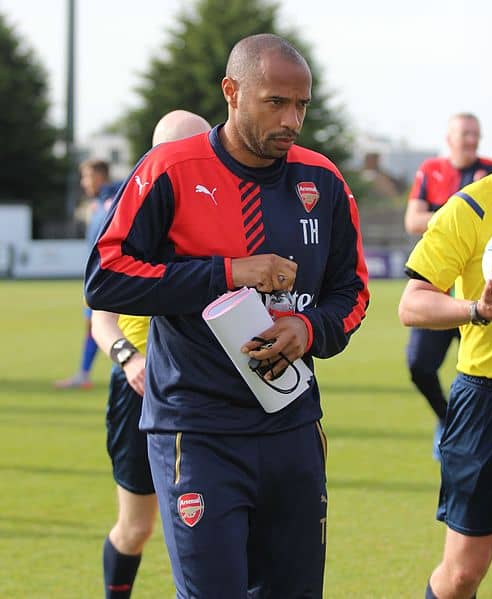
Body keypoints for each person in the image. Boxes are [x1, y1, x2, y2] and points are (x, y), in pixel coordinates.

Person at [85, 33, 369, 598]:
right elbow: (106, 275)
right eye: (275, 102)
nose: (292, 119)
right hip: (199, 430)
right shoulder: (169, 169)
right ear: (232, 92)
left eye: (301, 105)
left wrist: (309, 328)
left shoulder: (324, 180)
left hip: (292, 428)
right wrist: (227, 272)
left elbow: (353, 294)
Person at [92, 110, 212, 599]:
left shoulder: (219, 208)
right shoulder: (129, 216)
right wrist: (129, 358)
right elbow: (101, 319)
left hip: (209, 386)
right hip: (142, 389)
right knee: (136, 528)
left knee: (214, 524)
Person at [399, 172, 492, 599]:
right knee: (462, 573)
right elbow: (413, 303)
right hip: (486, 400)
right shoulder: (472, 207)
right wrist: (477, 308)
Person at [403, 113, 492, 459]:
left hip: (477, 291)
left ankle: (460, 428)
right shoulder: (431, 171)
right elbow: (413, 220)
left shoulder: (491, 171)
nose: (471, 140)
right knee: (418, 365)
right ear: (450, 137)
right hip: (441, 291)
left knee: (475, 368)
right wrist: (458, 212)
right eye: (465, 134)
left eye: (476, 133)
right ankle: (446, 418)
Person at [55, 159, 121, 389]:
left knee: (105, 325)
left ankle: (121, 372)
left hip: (109, 278)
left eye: (87, 177)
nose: (84, 183)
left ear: (100, 176)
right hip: (97, 277)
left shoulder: (115, 199)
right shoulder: (98, 204)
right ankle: (85, 374)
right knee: (96, 325)